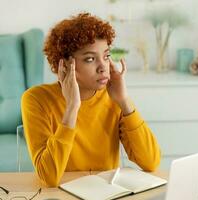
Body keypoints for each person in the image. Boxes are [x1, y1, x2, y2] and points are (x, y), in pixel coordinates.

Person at [21, 12, 161, 187]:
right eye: (90, 59)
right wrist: (72, 107)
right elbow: (49, 177)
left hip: (106, 194)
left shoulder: (113, 97)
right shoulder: (36, 99)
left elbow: (151, 161)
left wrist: (124, 102)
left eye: (106, 56)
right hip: (61, 194)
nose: (103, 67)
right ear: (63, 65)